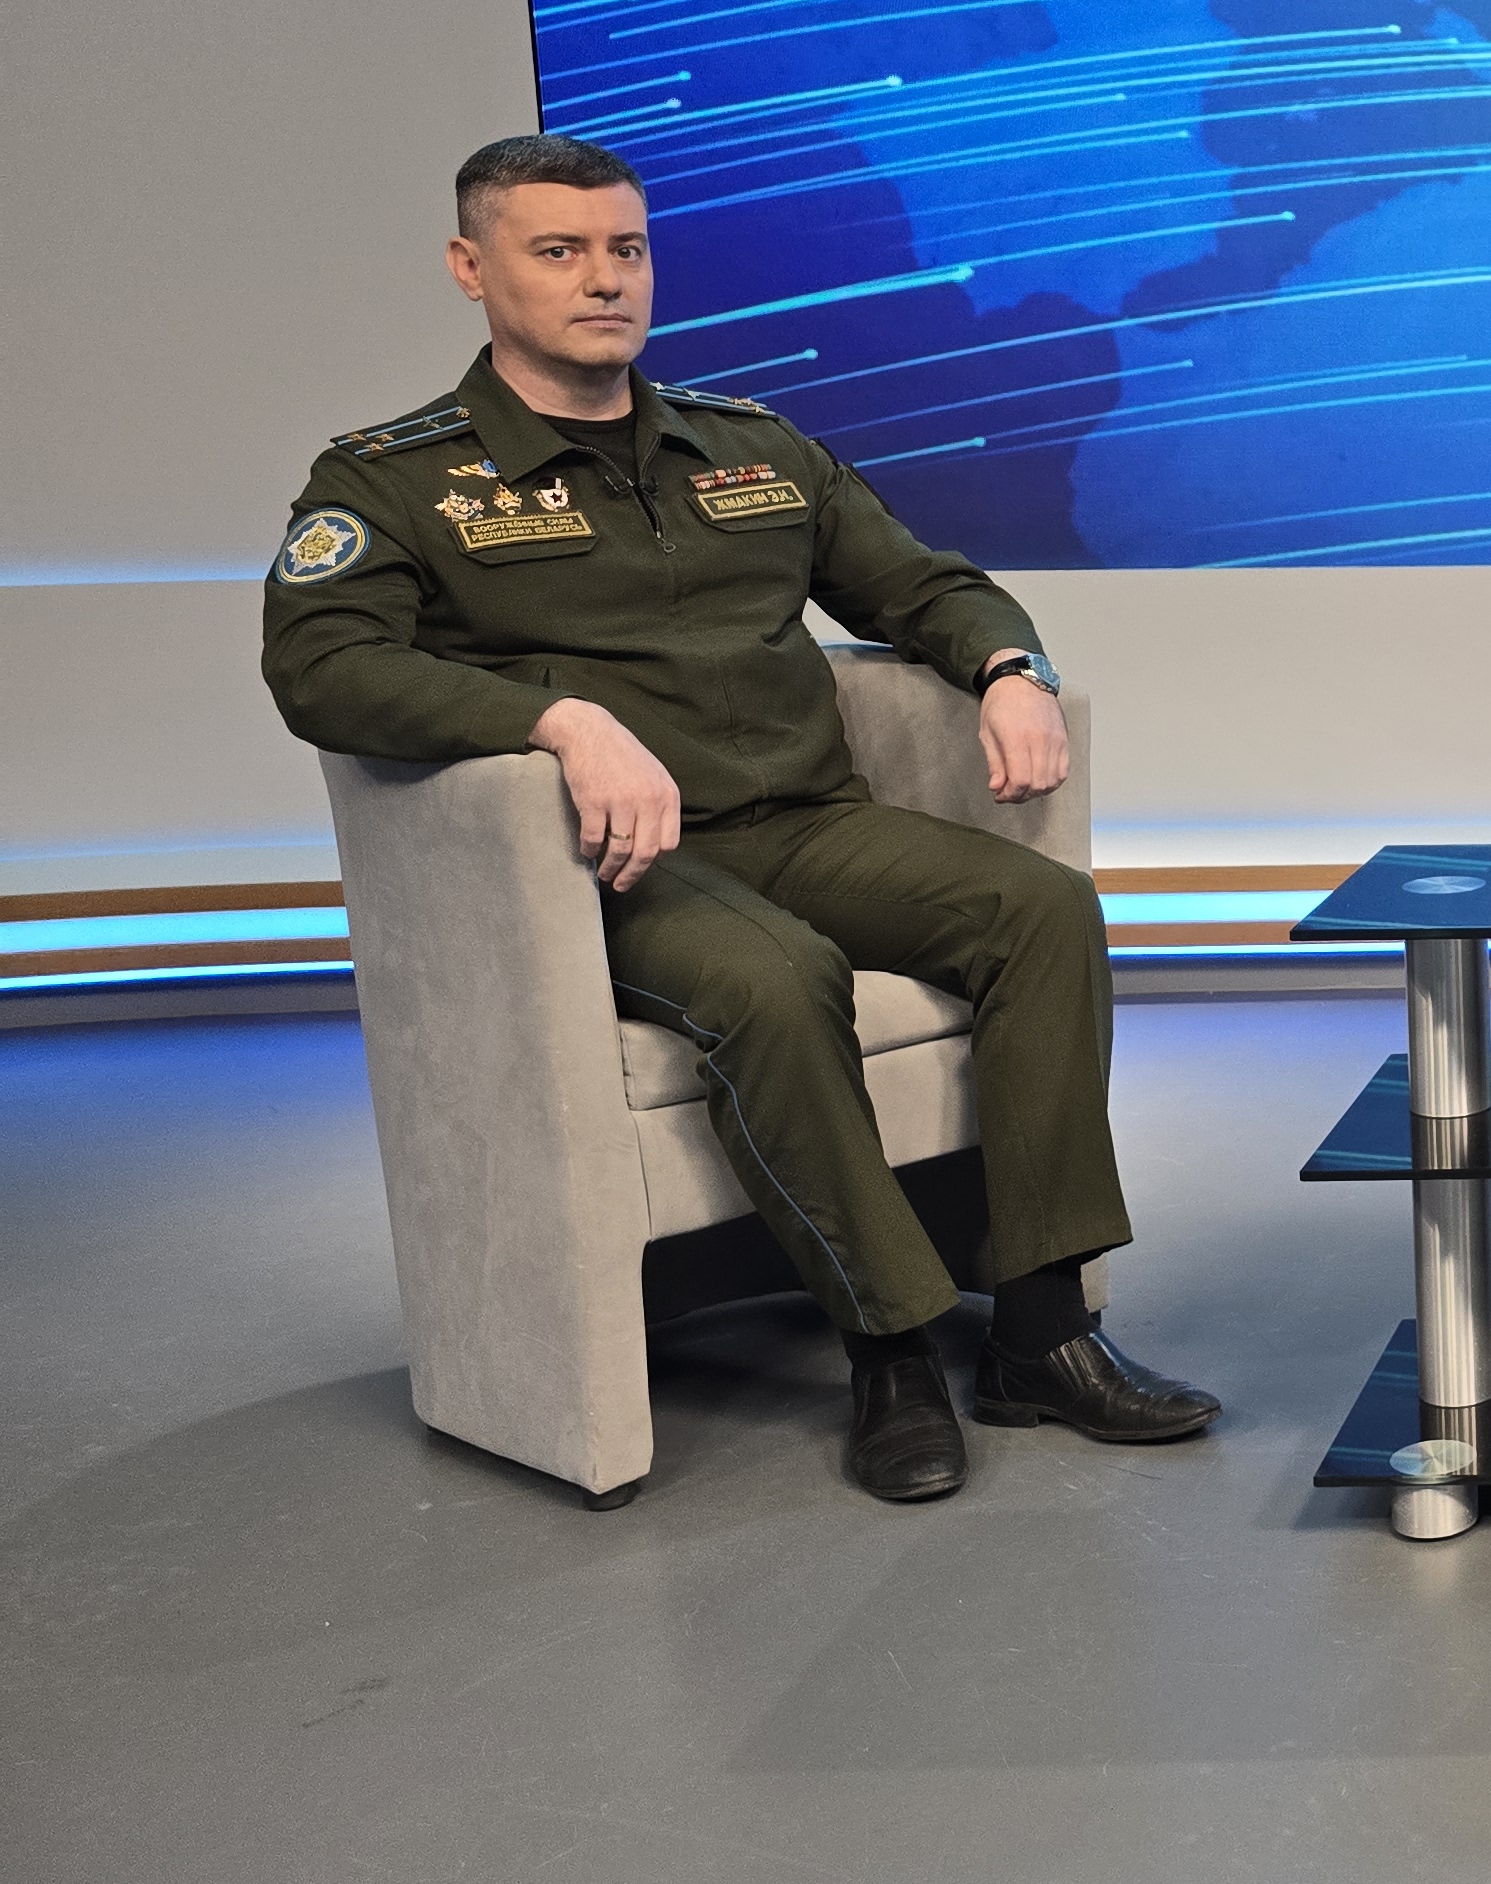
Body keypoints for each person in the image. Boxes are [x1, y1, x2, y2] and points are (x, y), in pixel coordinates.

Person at [264, 134, 1220, 1499]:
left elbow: (920, 586)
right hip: (612, 863)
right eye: (559, 251)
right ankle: (889, 1349)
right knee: (777, 978)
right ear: (471, 269)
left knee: (1041, 908)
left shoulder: (751, 448)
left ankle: (1041, 1330)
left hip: (806, 822)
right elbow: (322, 666)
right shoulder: (394, 480)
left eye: (626, 249)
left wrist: (1011, 666)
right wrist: (554, 720)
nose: (605, 280)